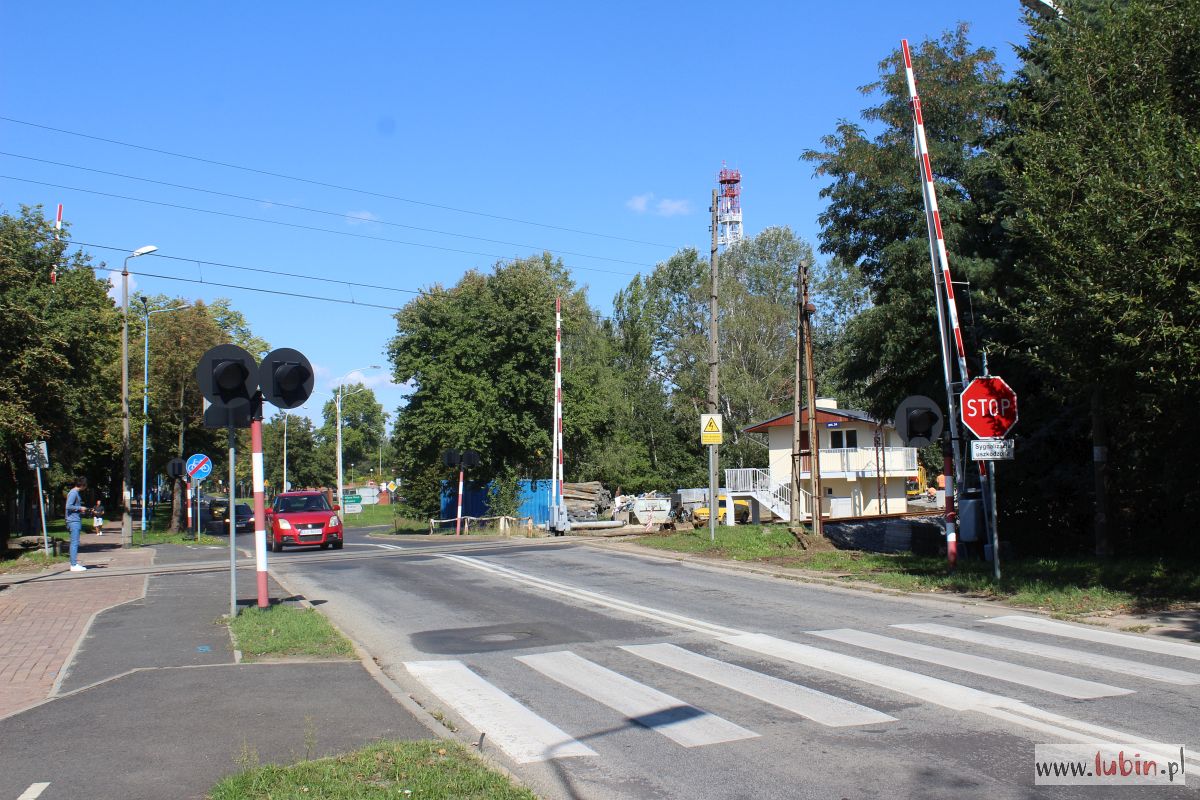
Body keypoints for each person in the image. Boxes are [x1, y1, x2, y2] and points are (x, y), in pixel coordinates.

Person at [65, 476, 88, 572]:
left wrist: (79, 510)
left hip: (74, 519)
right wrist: (80, 508)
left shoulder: (74, 492)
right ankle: (73, 564)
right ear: (83, 485)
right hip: (73, 521)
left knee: (74, 542)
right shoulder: (74, 493)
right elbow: (68, 506)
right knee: (74, 543)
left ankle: (74, 563)